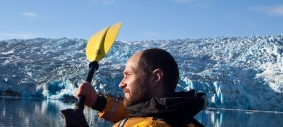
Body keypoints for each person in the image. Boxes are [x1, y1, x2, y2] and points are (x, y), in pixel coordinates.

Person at [77, 48, 207, 127]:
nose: (121, 83)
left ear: (156, 77)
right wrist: (98, 102)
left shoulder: (152, 125)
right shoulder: (178, 116)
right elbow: (137, 114)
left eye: (128, 74)